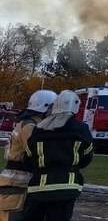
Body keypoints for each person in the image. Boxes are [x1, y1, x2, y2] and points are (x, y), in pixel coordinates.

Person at [22, 90, 94, 221]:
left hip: (38, 188)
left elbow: (28, 157)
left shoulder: (39, 129)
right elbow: (87, 156)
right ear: (76, 106)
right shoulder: (81, 129)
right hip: (66, 188)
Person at [0, 90, 56, 221]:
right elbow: (36, 152)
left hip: (17, 181)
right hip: (17, 183)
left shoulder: (28, 122)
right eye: (53, 107)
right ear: (45, 107)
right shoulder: (30, 126)